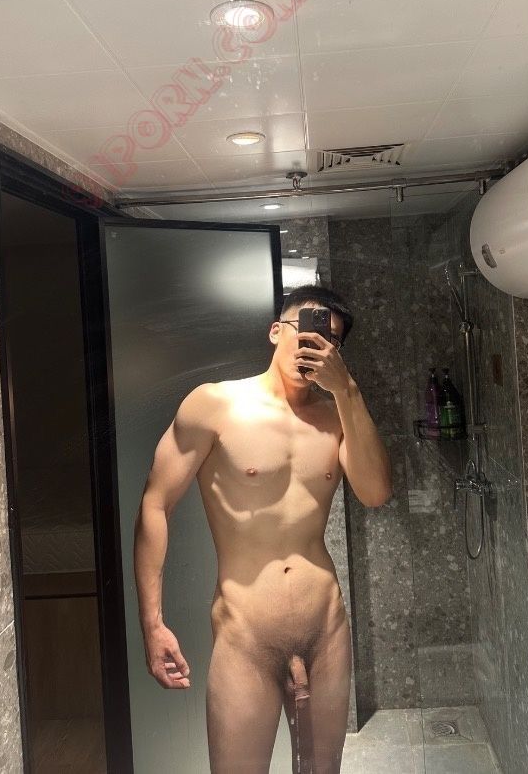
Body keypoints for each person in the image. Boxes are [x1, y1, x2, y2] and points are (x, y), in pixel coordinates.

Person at [134, 284, 393, 773]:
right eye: (305, 330)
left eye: (329, 340)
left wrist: (348, 391)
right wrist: (153, 623)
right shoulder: (215, 405)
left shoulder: (337, 419)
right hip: (245, 636)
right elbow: (155, 504)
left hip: (326, 630)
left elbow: (376, 493)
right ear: (276, 331)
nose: (313, 345)